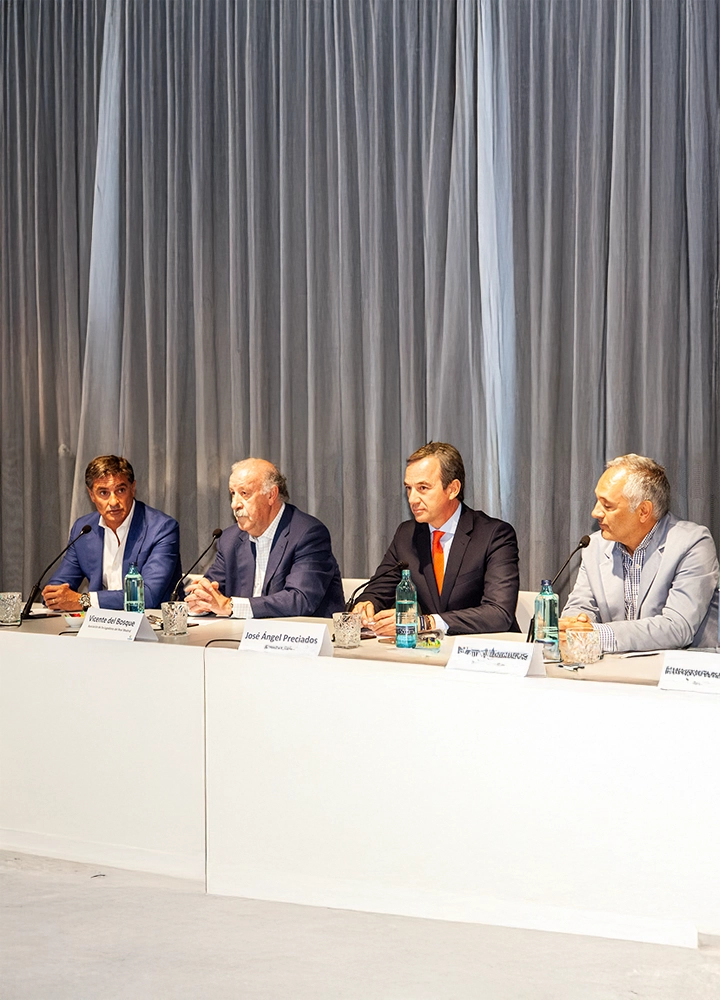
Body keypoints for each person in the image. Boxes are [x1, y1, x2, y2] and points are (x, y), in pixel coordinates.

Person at [353, 442, 520, 636]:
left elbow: (498, 613)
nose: (412, 499)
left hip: (483, 652)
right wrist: (366, 604)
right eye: (409, 488)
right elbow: (377, 591)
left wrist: (426, 623)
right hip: (428, 653)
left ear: (453, 489)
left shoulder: (494, 535)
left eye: (423, 488)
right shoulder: (406, 535)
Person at [560, 454, 719, 652]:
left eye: (607, 505)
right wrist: (575, 624)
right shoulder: (594, 546)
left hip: (681, 672)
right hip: (616, 671)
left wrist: (599, 635)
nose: (595, 512)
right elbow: (582, 606)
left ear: (644, 511)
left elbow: (677, 627)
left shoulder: (693, 543)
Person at [185, 458, 344, 619]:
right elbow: (213, 592)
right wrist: (201, 602)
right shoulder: (229, 539)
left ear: (271, 495)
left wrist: (229, 606)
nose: (234, 504)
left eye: (244, 493)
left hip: (301, 638)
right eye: (233, 494)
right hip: (241, 637)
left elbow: (300, 599)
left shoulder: (308, 534)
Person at [43, 455, 182, 611]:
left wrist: (84, 600)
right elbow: (59, 586)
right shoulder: (84, 529)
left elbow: (147, 595)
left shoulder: (161, 528)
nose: (114, 501)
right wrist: (55, 596)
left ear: (133, 488)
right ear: (91, 495)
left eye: (120, 490)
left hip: (153, 626)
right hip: (100, 626)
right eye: (103, 493)